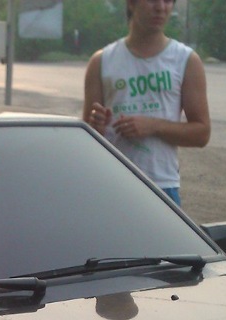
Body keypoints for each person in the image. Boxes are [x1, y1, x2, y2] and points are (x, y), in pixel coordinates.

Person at [83, 0, 210, 206]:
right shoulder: (102, 61)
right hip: (112, 184)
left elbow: (202, 133)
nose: (161, 7)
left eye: (168, 1)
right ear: (131, 3)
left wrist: (153, 126)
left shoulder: (185, 60)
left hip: (162, 185)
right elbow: (86, 138)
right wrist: (95, 127)